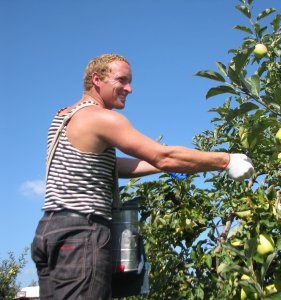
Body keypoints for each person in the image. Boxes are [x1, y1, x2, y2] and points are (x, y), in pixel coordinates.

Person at [31, 53, 254, 299]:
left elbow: (115, 166)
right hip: (82, 233)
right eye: (122, 80)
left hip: (50, 232)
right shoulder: (102, 119)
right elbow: (164, 155)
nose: (130, 88)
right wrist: (225, 160)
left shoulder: (64, 117)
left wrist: (163, 167)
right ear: (97, 79)